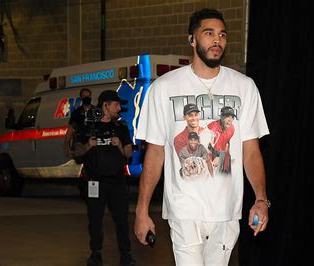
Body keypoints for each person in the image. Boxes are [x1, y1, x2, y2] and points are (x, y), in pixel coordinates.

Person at [134, 8, 270, 265]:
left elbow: (251, 150)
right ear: (192, 40)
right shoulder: (163, 88)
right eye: (209, 34)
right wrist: (142, 209)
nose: (217, 40)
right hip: (184, 208)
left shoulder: (244, 87)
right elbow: (155, 153)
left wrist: (261, 199)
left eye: (222, 35)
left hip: (227, 209)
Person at [72, 90, 136, 266]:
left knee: (122, 219)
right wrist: (88, 145)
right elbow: (76, 152)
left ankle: (126, 255)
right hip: (95, 182)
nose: (119, 108)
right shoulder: (87, 128)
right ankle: (95, 254)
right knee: (95, 219)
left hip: (117, 181)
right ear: (105, 105)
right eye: (116, 104)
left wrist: (120, 146)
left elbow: (128, 153)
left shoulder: (120, 128)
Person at [63, 88, 93, 157]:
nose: (87, 98)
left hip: (93, 141)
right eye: (84, 96)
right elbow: (70, 129)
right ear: (81, 98)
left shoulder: (96, 111)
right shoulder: (76, 113)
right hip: (81, 142)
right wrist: (66, 145)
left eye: (88, 96)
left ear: (91, 97)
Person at [207, 106, 236, 174]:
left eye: (232, 117)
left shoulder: (232, 129)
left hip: (223, 156)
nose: (230, 119)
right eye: (227, 116)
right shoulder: (212, 127)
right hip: (211, 158)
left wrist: (226, 160)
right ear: (221, 117)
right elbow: (206, 146)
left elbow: (227, 144)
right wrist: (217, 157)